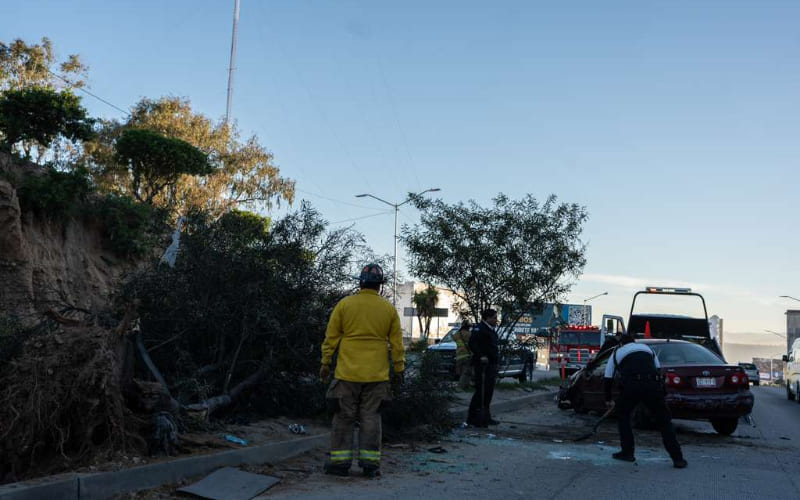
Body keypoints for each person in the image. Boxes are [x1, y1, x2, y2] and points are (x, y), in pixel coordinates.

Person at [319, 263, 405, 478]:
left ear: (360, 282)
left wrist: (325, 363)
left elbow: (331, 338)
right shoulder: (388, 309)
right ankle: (370, 465)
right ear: (380, 287)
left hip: (347, 374)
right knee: (371, 418)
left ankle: (340, 464)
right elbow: (397, 343)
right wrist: (399, 368)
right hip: (377, 375)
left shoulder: (345, 305)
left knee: (343, 418)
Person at [603, 333, 687, 468]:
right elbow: (658, 370)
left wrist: (608, 400)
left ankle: (627, 452)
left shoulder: (617, 352)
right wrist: (661, 393)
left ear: (621, 343)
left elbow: (608, 378)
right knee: (664, 421)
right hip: (652, 385)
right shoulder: (647, 349)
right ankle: (678, 458)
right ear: (634, 342)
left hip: (631, 386)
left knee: (623, 416)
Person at [467, 309, 499, 427]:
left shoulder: (491, 330)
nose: (496, 320)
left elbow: (493, 347)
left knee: (488, 392)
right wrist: (481, 356)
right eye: (494, 318)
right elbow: (472, 344)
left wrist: (496, 362)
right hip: (483, 365)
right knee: (481, 391)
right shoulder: (480, 329)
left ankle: (486, 417)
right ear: (487, 318)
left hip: (491, 365)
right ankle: (472, 418)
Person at [453, 320, 473, 390]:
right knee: (466, 372)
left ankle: (464, 385)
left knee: (460, 372)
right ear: (468, 327)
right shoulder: (469, 334)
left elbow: (454, 339)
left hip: (459, 355)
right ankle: (462, 387)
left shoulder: (456, 334)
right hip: (467, 355)